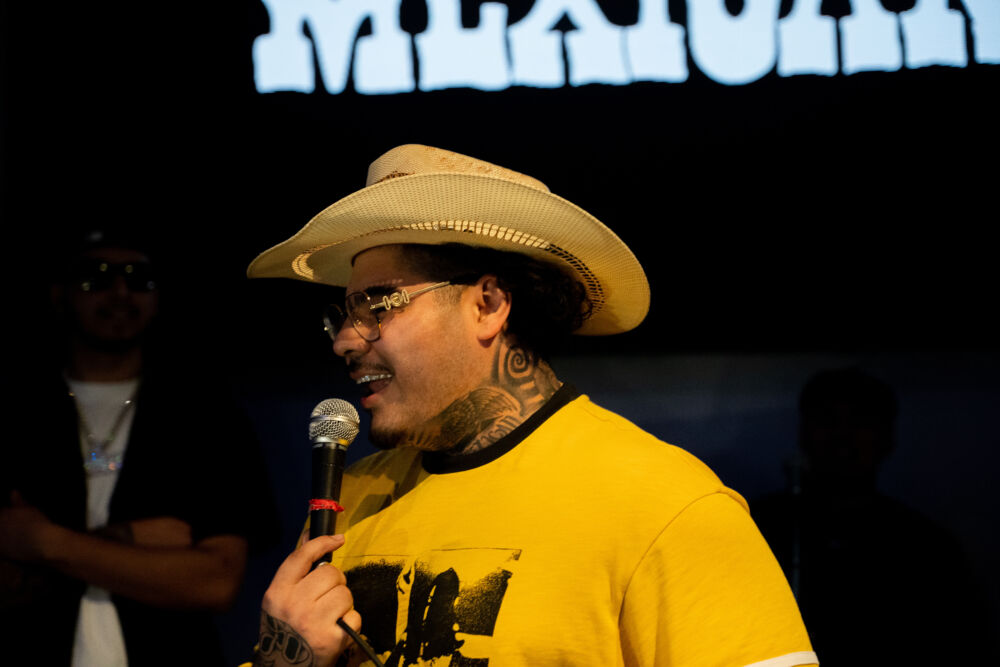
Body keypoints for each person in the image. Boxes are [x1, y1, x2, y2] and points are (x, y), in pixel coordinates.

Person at [246, 144, 818, 667]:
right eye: (344, 315)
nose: (346, 341)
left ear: (487, 305)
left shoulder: (664, 502)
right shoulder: (349, 500)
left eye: (377, 305)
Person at [0, 229, 278, 665]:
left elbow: (215, 583)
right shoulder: (16, 416)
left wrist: (45, 543)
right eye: (96, 277)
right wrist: (132, 544)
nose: (120, 291)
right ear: (59, 294)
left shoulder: (205, 418)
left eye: (138, 278)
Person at [752, 368, 990, 665]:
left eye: (860, 421)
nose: (842, 436)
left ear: (887, 437)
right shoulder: (757, 530)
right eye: (828, 420)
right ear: (804, 432)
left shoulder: (928, 547)